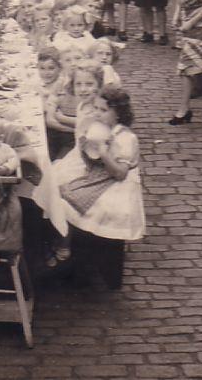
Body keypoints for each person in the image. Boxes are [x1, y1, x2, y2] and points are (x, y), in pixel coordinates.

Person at [47, 86, 145, 269]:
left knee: (66, 200)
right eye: (96, 109)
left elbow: (120, 173)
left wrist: (103, 151)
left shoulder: (125, 137)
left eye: (104, 110)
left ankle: (64, 247)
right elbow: (90, 158)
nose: (98, 114)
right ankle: (61, 239)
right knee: (57, 185)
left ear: (118, 114)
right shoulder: (101, 127)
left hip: (114, 182)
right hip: (97, 174)